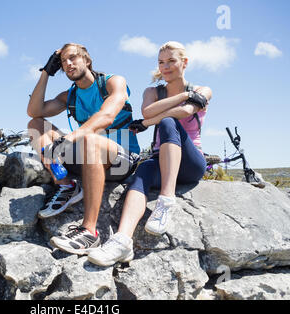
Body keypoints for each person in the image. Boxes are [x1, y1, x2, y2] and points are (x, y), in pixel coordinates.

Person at [87, 41, 212, 267]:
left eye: (171, 61)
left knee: (168, 122)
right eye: (161, 62)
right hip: (160, 158)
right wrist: (183, 96)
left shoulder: (203, 90)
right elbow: (148, 109)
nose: (165, 67)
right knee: (143, 170)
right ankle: (122, 241)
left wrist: (146, 123)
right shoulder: (152, 91)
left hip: (190, 163)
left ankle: (166, 200)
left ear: (184, 63)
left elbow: (184, 112)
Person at [27, 43, 140, 255]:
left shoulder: (112, 82)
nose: (68, 64)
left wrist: (70, 138)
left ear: (86, 60)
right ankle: (67, 186)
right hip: (88, 158)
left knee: (89, 139)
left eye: (73, 58)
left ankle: (90, 232)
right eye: (62, 63)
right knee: (36, 126)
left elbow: (107, 116)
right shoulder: (69, 96)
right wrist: (45, 73)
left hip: (121, 159)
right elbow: (34, 111)